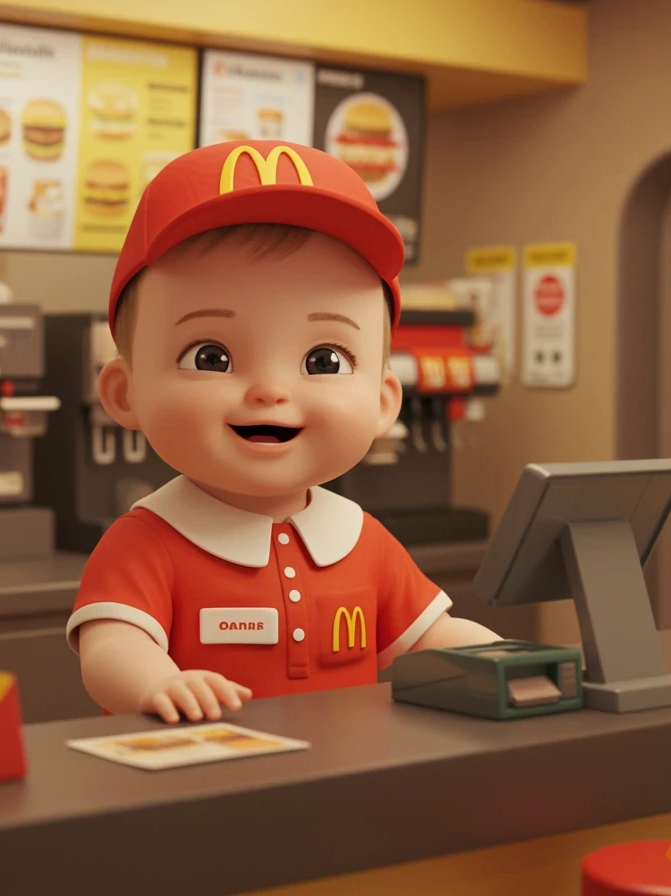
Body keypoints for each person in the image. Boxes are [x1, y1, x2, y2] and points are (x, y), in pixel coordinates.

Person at [67, 141, 501, 723]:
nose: (270, 391)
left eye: (324, 360)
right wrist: (156, 684)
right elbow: (111, 645)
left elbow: (429, 634)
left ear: (381, 400)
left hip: (346, 786)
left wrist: (508, 659)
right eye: (210, 356)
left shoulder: (360, 539)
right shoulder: (148, 540)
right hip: (202, 786)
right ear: (124, 391)